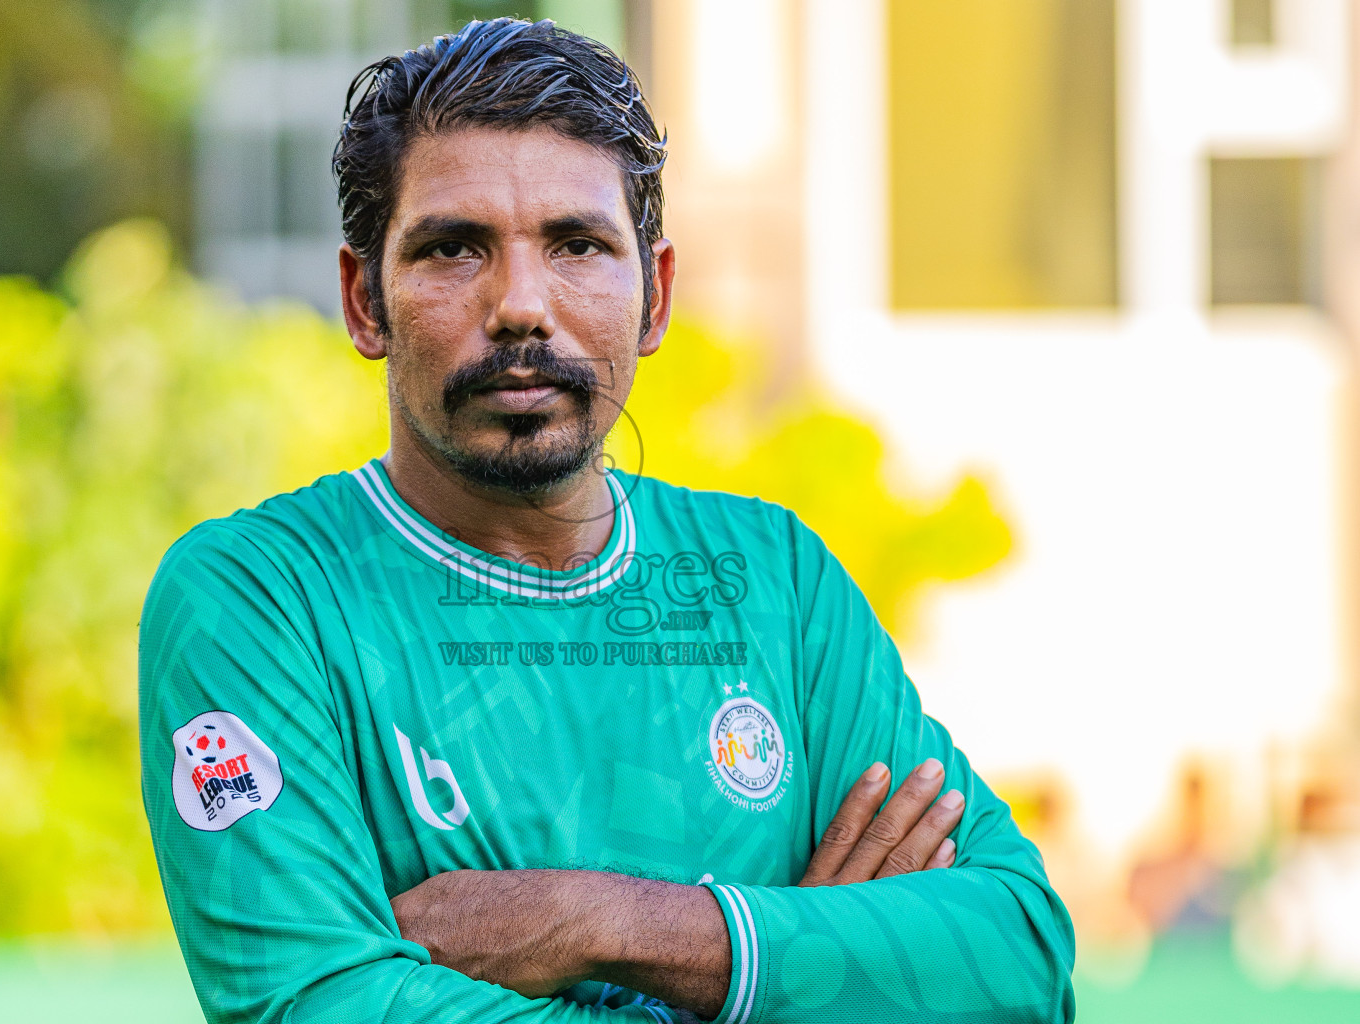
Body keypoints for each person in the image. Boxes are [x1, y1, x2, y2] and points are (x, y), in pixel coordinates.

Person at [139, 17, 1075, 1024]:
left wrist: (597, 920)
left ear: (655, 296)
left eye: (577, 245)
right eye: (453, 248)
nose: (520, 305)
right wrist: (796, 972)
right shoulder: (258, 599)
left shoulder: (775, 582)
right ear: (364, 300)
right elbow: (319, 1006)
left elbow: (1019, 966)